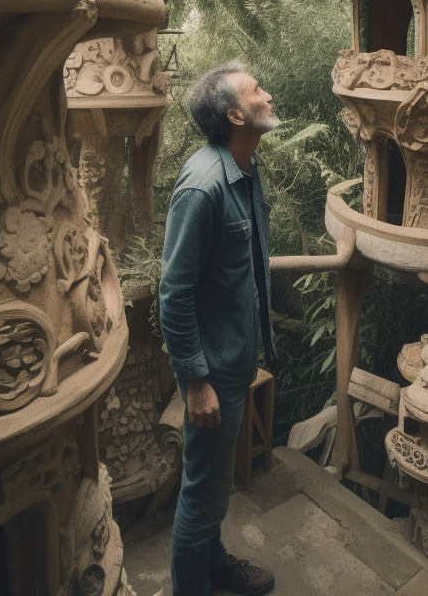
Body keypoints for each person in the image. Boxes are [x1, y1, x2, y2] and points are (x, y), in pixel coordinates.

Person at [159, 61, 279, 596]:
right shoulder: (203, 186)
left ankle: (214, 564)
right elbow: (174, 291)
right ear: (234, 114)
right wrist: (196, 382)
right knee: (202, 494)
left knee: (212, 492)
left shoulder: (244, 168)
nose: (268, 94)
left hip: (235, 358)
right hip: (214, 370)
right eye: (257, 91)